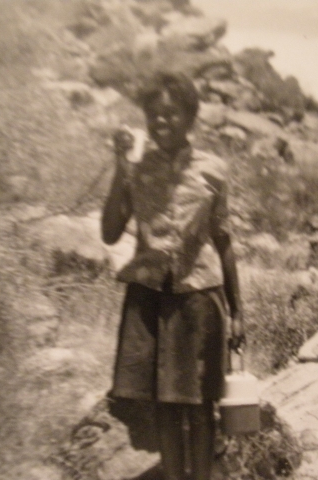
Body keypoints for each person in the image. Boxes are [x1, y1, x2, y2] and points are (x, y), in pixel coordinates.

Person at [101, 71, 244, 480]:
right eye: (153, 114)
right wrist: (119, 169)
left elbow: (225, 241)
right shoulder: (136, 167)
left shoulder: (212, 170)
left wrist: (238, 312)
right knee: (163, 405)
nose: (161, 121)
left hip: (199, 297)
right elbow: (110, 233)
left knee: (199, 407)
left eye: (171, 113)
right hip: (149, 298)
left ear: (190, 116)